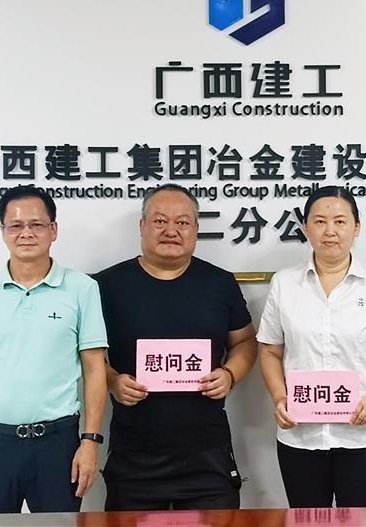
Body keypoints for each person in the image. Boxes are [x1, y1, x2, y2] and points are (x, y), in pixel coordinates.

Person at [94, 183, 257, 511]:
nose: (171, 231)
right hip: (133, 456)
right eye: (159, 221)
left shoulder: (220, 283)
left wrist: (230, 374)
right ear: (142, 226)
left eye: (182, 222)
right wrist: (111, 380)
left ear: (196, 230)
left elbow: (245, 341)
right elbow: (89, 354)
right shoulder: (106, 285)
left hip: (207, 455)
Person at [0, 185, 108, 514]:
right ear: (3, 231)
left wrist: (90, 442)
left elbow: (95, 369)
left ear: (54, 230)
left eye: (37, 224)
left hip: (58, 444)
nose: (26, 234)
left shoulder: (82, 289)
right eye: (16, 225)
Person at [257, 185, 366, 508]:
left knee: (361, 522)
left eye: (340, 221)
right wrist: (280, 397)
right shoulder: (284, 283)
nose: (330, 231)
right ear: (305, 228)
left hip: (363, 436)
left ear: (357, 228)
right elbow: (270, 350)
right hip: (301, 436)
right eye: (319, 221)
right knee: (307, 522)